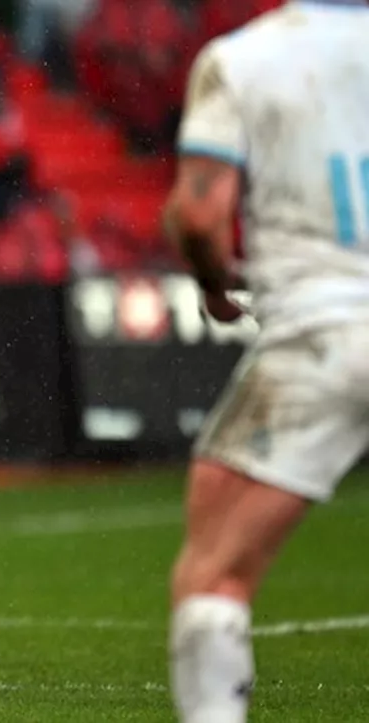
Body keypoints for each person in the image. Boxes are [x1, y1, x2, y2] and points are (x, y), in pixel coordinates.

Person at [162, 2, 369, 721]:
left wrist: (215, 283)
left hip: (325, 332)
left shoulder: (245, 58)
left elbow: (200, 214)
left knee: (215, 569)